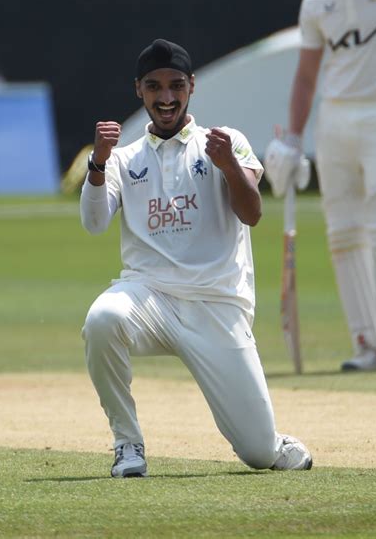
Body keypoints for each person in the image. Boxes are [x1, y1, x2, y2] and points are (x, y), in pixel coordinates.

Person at [80, 38, 312, 478]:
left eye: (175, 86)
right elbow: (94, 224)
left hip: (216, 304)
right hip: (149, 298)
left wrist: (227, 165)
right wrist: (97, 163)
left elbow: (253, 213)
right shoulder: (123, 159)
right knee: (102, 319)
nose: (165, 98)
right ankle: (127, 445)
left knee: (258, 454)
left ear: (191, 86)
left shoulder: (225, 142)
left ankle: (271, 441)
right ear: (139, 90)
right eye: (154, 87)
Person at [265, 0, 376, 371]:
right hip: (335, 120)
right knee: (344, 233)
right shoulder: (318, 2)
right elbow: (306, 75)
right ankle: (368, 343)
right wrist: (293, 138)